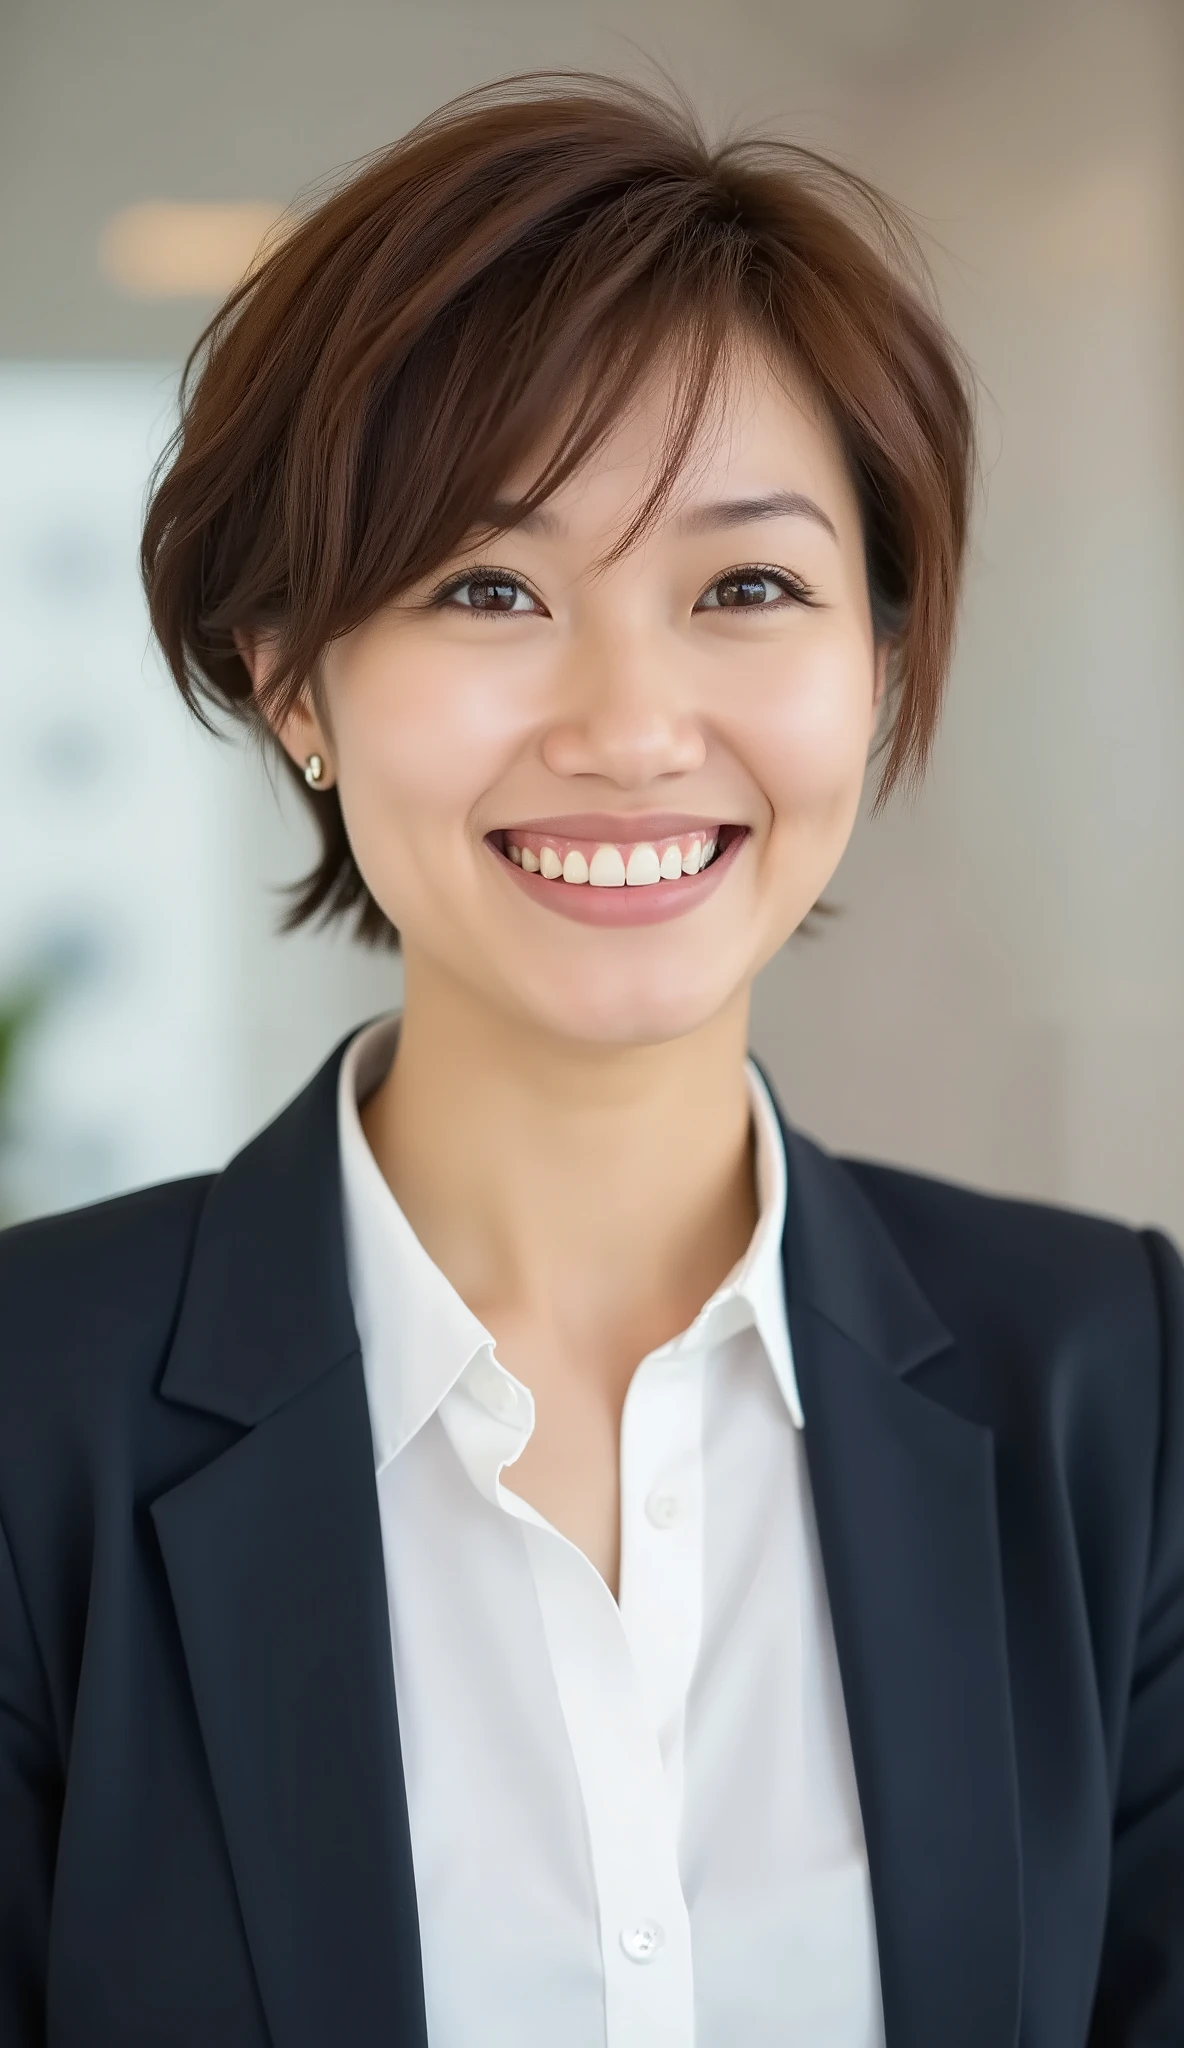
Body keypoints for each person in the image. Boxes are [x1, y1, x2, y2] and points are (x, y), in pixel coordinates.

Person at [0, 74, 1180, 2048]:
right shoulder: (32, 1408)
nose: (630, 725)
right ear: (295, 675)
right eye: (487, 588)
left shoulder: (1115, 1393)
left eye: (745, 587)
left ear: (876, 670)